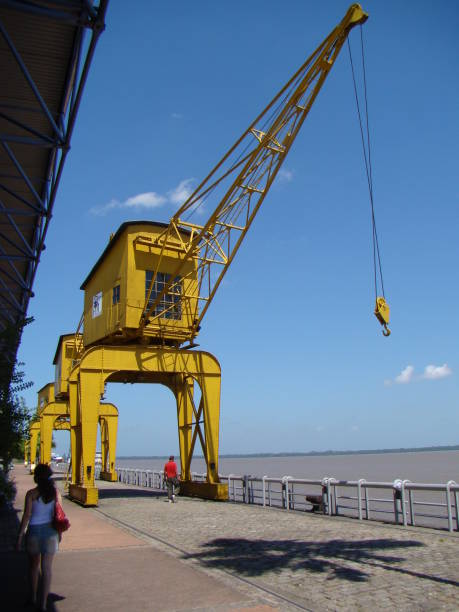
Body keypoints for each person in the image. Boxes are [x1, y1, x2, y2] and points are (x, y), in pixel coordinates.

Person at [16, 463, 61, 611]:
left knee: (33, 567)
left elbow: (27, 516)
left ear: (36, 477)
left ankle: (33, 596)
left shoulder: (31, 494)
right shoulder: (55, 493)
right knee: (47, 568)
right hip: (50, 532)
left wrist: (20, 536)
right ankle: (43, 603)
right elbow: (59, 515)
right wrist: (59, 533)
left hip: (34, 532)